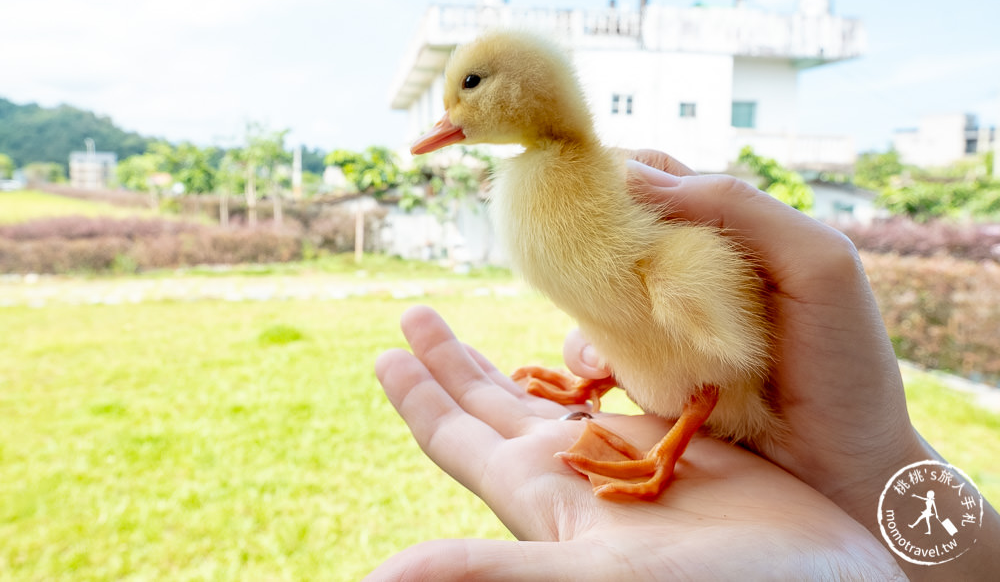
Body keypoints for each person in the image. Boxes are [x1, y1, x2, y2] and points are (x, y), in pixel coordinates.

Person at [368, 151, 1000, 580]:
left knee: (668, 307)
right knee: (625, 319)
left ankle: (660, 448)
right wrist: (876, 473)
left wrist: (869, 472)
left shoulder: (657, 239)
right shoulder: (551, 193)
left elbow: (718, 360)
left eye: (472, 87)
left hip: (720, 379)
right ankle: (605, 372)